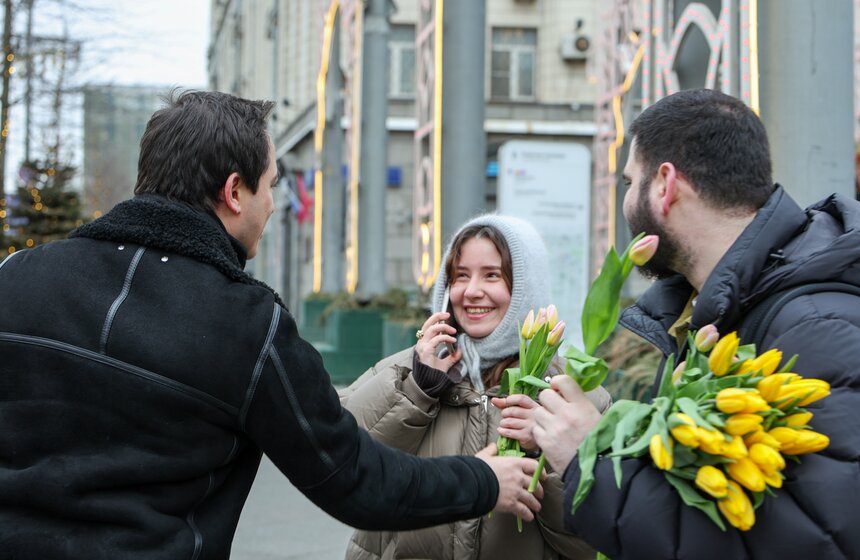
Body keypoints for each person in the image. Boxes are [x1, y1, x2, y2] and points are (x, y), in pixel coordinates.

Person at [0, 91, 545, 559]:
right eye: (269, 187)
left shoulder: (16, 277)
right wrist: (481, 480)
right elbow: (355, 480)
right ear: (235, 192)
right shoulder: (247, 324)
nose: (271, 205)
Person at [507, 88, 860, 559]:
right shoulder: (712, 309)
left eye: (631, 182)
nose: (627, 202)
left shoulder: (814, 324)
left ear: (666, 185)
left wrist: (589, 455)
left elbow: (815, 542)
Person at [339, 214, 611, 560]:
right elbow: (342, 459)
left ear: (526, 288)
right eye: (460, 276)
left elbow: (591, 542)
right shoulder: (408, 370)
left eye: (492, 275)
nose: (471, 291)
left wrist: (548, 451)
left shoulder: (571, 395)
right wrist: (416, 389)